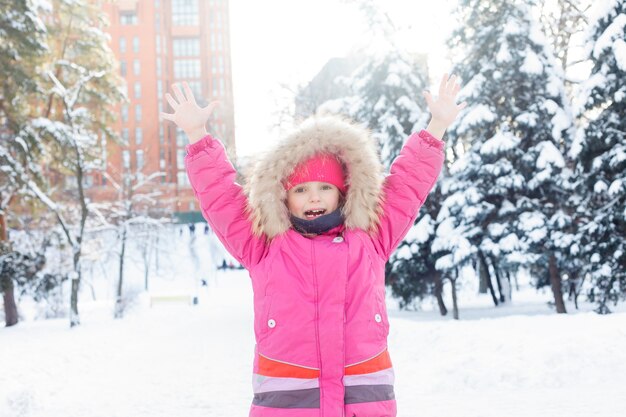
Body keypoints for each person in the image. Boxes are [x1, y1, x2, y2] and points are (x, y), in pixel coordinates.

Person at [161, 75, 465, 417]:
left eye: (325, 187)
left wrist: (437, 125)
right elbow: (222, 199)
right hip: (290, 402)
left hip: (363, 399)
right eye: (301, 190)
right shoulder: (263, 246)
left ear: (343, 192)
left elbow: (408, 185)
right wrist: (197, 137)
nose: (314, 197)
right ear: (284, 197)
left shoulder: (371, 238)